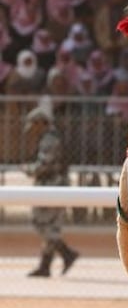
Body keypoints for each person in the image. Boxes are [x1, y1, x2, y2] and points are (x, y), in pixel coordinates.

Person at [23, 97, 79, 277]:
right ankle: (47, 265)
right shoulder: (50, 137)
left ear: (41, 123)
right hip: (55, 184)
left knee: (41, 222)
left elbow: (43, 165)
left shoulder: (49, 140)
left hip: (52, 185)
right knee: (50, 225)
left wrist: (29, 170)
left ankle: (66, 253)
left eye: (34, 124)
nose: (32, 129)